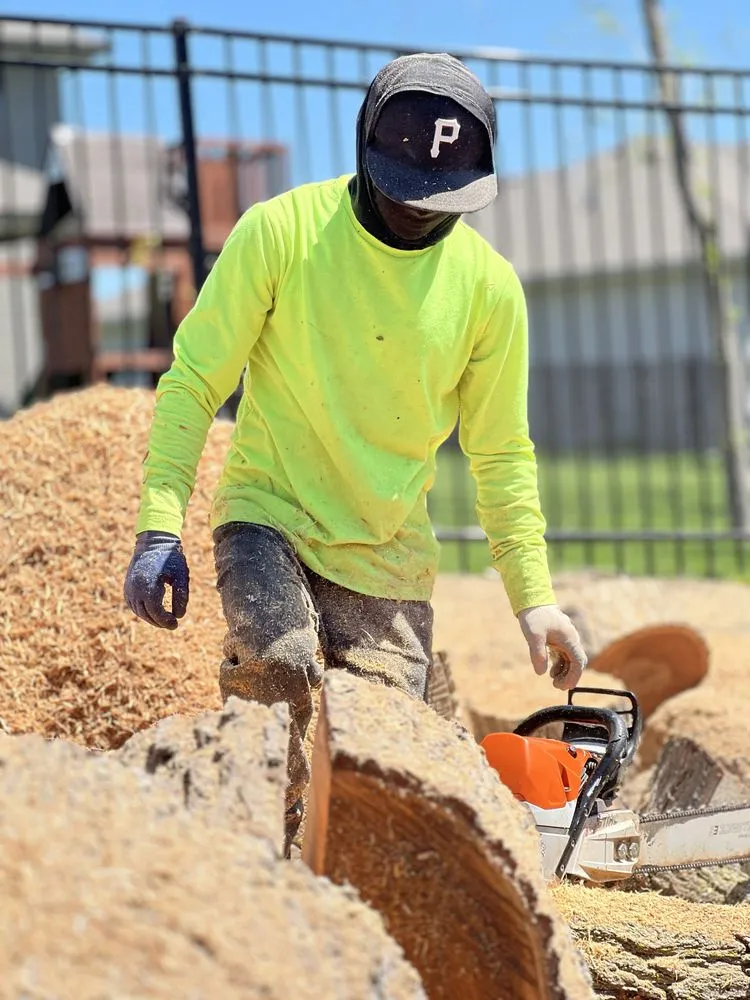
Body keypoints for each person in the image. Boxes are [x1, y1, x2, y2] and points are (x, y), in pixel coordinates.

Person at [124, 51, 587, 852]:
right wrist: (158, 525)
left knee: (373, 761)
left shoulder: (489, 289)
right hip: (269, 517)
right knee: (279, 660)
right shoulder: (281, 233)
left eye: (444, 199)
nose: (419, 211)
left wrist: (533, 595)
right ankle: (243, 854)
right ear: (362, 147)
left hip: (388, 562)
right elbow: (195, 378)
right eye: (402, 188)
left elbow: (502, 452)